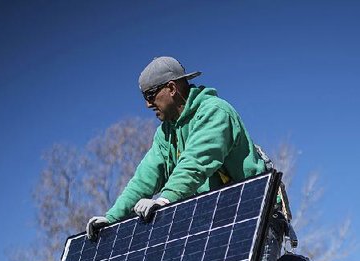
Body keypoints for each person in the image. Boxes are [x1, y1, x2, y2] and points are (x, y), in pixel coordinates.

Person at [86, 56, 267, 238]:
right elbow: (144, 178)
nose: (147, 104)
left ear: (171, 88)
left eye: (150, 95)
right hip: (220, 220)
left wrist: (166, 199)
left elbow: (196, 162)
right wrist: (112, 218)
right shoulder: (166, 132)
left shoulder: (214, 112)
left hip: (254, 213)